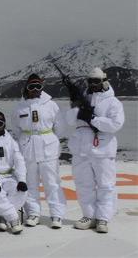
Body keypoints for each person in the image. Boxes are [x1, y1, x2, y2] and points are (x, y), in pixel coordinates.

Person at [66, 67, 125, 233]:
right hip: (81, 149)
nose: (93, 84)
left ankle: (103, 218)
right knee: (83, 185)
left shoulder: (113, 102)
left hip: (103, 149)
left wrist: (93, 119)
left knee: (106, 185)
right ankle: (89, 215)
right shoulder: (82, 98)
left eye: (96, 81)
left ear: (104, 80)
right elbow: (70, 121)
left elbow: (115, 124)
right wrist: (75, 106)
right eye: (90, 81)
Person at [11, 74, 67, 229]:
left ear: (42, 87)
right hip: (28, 148)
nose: (35, 90)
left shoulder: (51, 105)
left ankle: (57, 215)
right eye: (31, 86)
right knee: (30, 182)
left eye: (38, 86)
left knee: (52, 183)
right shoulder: (19, 107)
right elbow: (16, 128)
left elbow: (60, 128)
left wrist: (50, 139)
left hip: (47, 147)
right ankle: (33, 213)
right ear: (26, 88)